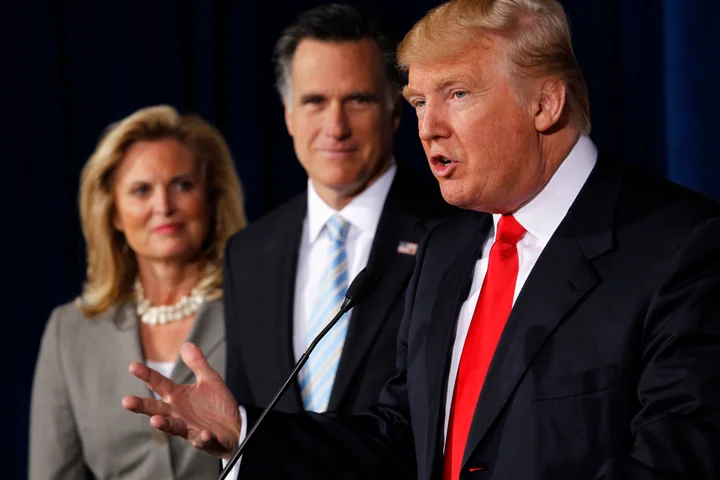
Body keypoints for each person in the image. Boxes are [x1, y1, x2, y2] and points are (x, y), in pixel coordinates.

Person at [123, 1, 720, 479]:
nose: (428, 128)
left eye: (457, 94)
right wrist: (244, 430)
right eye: (417, 102)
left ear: (545, 102)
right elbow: (398, 442)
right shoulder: (445, 251)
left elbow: (677, 459)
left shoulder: (684, 247)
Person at [223, 3, 452, 418]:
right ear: (289, 115)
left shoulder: (455, 229)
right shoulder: (247, 253)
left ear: (395, 111)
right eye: (314, 101)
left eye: (357, 100)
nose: (336, 127)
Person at [30, 105, 247, 479]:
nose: (163, 206)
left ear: (211, 198)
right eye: (141, 190)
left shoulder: (257, 306)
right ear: (114, 212)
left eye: (182, 185)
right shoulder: (69, 331)